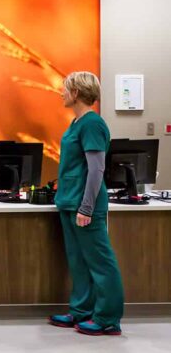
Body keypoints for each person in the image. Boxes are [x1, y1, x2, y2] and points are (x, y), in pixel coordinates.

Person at [48, 71, 124, 336]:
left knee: (100, 262)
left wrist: (87, 207)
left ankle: (108, 318)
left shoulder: (92, 124)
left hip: (84, 204)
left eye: (65, 89)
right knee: (78, 261)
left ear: (76, 93)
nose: (61, 93)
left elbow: (96, 170)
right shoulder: (76, 123)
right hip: (69, 201)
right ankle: (81, 311)